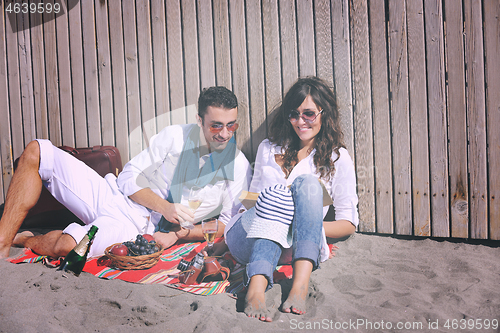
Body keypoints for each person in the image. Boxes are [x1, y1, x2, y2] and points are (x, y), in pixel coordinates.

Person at [0, 86, 251, 259]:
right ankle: (2, 245)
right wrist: (165, 207)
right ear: (199, 120)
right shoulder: (174, 136)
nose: (225, 134)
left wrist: (178, 233)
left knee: (69, 247)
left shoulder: (237, 165)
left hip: (134, 227)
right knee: (38, 151)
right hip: (113, 196)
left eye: (232, 125)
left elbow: (227, 224)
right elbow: (128, 177)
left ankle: (25, 240)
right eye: (216, 125)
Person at [221, 77, 358, 322]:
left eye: (309, 114)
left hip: (294, 247)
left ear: (324, 114)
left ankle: (299, 286)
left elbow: (348, 224)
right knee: (276, 196)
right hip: (249, 238)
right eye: (294, 114)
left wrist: (304, 225)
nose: (300, 121)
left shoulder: (338, 158)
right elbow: (252, 202)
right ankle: (256, 288)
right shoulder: (268, 147)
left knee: (308, 183)